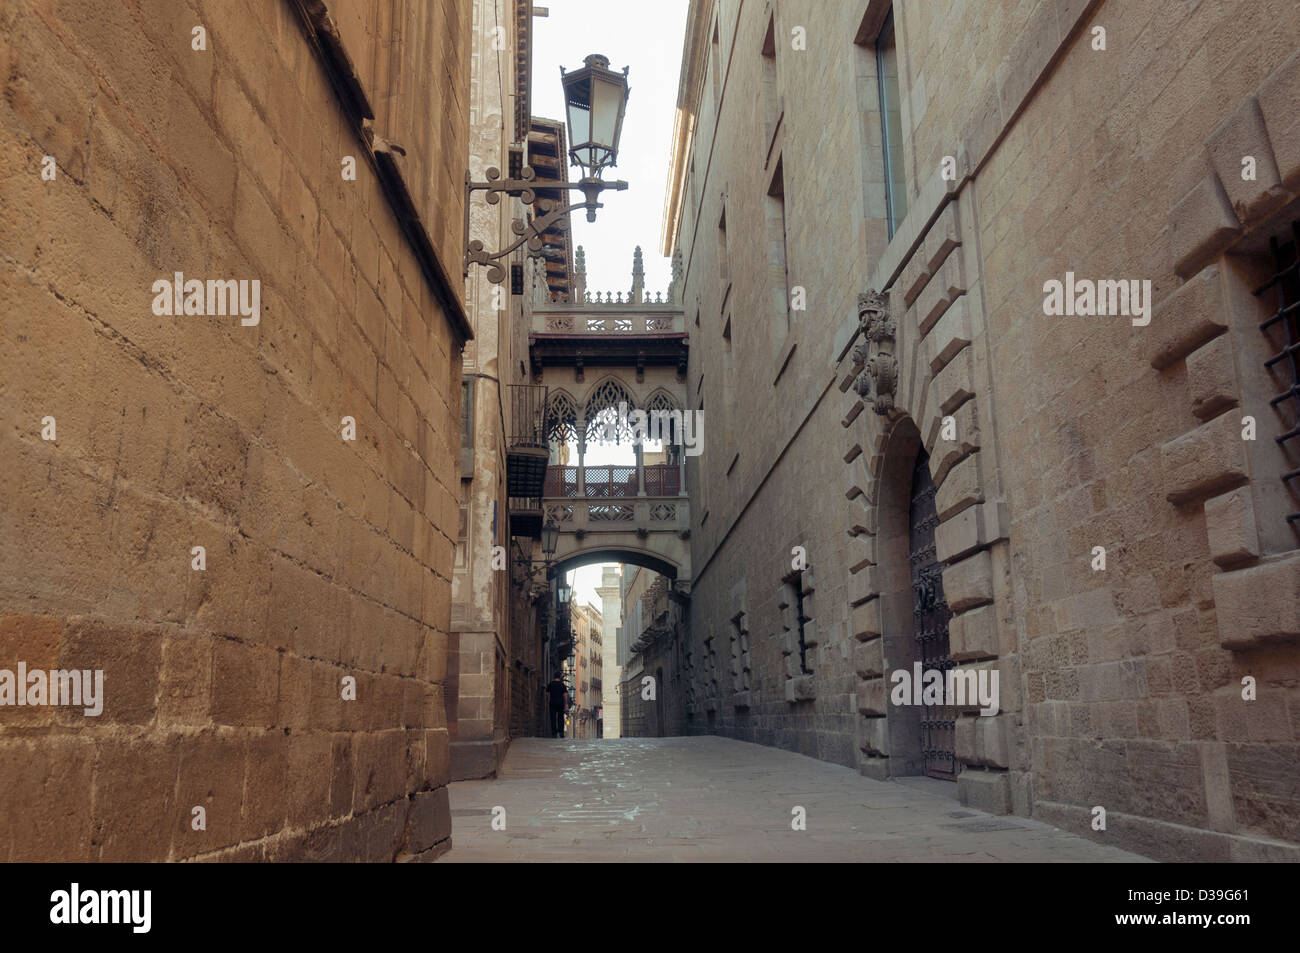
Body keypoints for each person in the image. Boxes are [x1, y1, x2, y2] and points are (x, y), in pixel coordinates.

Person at [546, 673, 569, 738]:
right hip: (560, 703)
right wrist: (566, 704)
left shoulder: (550, 684)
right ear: (559, 677)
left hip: (552, 703)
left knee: (552, 718)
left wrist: (548, 701)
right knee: (560, 718)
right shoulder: (562, 685)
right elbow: (565, 694)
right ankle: (561, 732)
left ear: (554, 677)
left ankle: (554, 733)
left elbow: (547, 694)